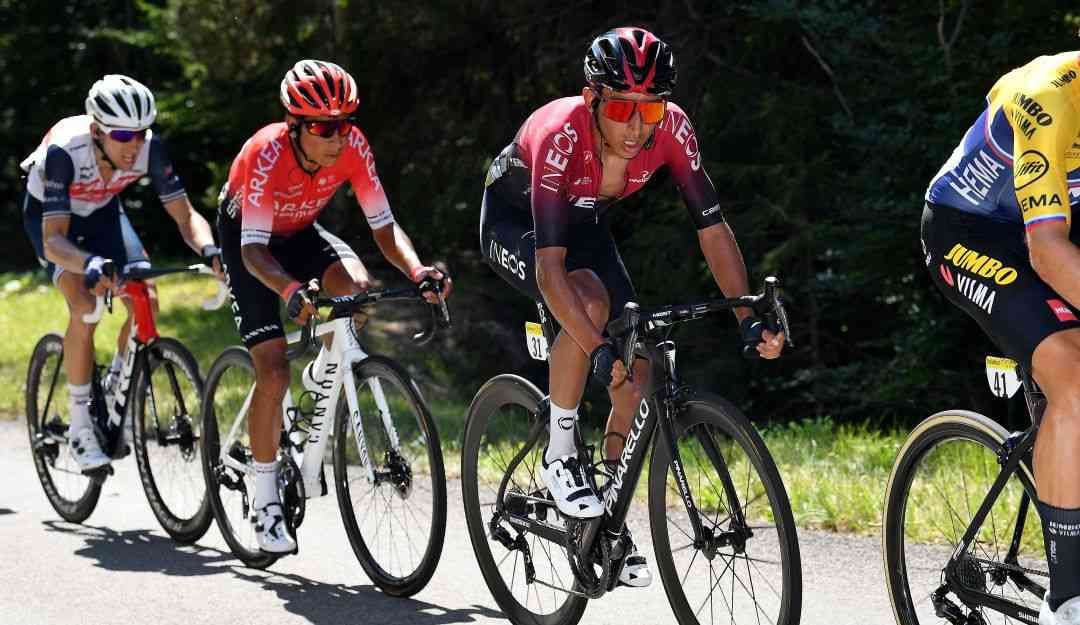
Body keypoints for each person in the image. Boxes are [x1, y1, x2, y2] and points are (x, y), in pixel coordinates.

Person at [479, 27, 785, 587]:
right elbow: (551, 271)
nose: (638, 125)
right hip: (516, 222)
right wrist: (594, 347)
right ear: (592, 98)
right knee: (588, 302)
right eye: (622, 107)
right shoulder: (560, 135)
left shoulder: (672, 130)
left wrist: (746, 314)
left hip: (587, 221)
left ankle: (605, 529)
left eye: (653, 108)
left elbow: (712, 228)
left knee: (638, 373)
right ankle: (562, 451)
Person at [217, 59, 451, 554]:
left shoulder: (354, 148)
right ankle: (265, 500)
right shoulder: (265, 155)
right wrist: (289, 292)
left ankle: (322, 375)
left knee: (355, 289)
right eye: (324, 128)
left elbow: (384, 229)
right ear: (295, 126)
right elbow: (254, 252)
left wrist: (417, 271)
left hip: (300, 232)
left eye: (344, 124)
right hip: (250, 243)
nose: (338, 137)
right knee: (273, 371)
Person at [921, 51, 1080, 625]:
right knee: (1073, 378)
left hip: (1058, 224)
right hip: (974, 232)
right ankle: (1066, 601)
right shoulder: (1050, 99)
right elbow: (1047, 252)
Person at [21, 74, 222, 473]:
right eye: (122, 136)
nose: (135, 145)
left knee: (145, 296)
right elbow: (53, 242)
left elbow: (186, 218)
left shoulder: (150, 150)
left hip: (102, 214)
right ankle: (79, 426)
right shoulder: (65, 152)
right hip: (53, 222)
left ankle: (115, 387)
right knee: (87, 305)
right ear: (96, 131)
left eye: (141, 133)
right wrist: (90, 264)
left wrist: (210, 250)